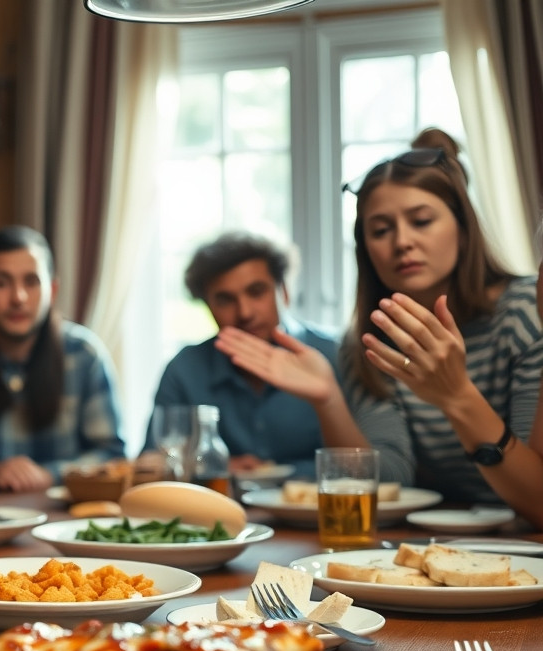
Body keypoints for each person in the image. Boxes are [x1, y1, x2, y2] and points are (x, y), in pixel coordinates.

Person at [216, 128, 541, 506]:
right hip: (428, 534)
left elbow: (538, 492)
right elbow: (389, 480)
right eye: (381, 230)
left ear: (464, 228)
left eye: (421, 221)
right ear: (365, 249)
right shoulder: (367, 344)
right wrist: (329, 399)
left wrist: (457, 395)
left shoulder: (525, 313)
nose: (402, 242)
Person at [143, 232, 337, 479]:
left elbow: (368, 460)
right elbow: (151, 463)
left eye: (256, 292)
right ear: (208, 307)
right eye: (225, 300)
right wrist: (208, 466)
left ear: (284, 291)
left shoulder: (335, 356)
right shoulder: (184, 371)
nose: (245, 312)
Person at [0, 225, 124, 492]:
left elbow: (112, 455)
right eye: (1, 283)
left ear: (53, 290)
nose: (18, 297)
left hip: (60, 511)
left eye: (31, 282)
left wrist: (50, 474)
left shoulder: (85, 354)